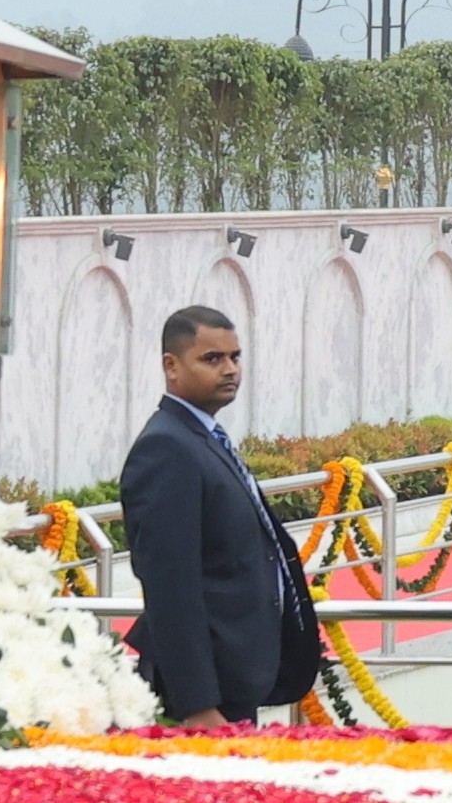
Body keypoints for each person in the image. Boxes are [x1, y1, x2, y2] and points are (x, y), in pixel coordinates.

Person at [120, 302, 325, 731]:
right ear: (171, 366)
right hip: (204, 695)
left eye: (235, 357)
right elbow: (170, 586)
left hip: (235, 674)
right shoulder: (166, 448)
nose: (230, 370)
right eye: (212, 359)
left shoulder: (202, 436)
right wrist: (198, 706)